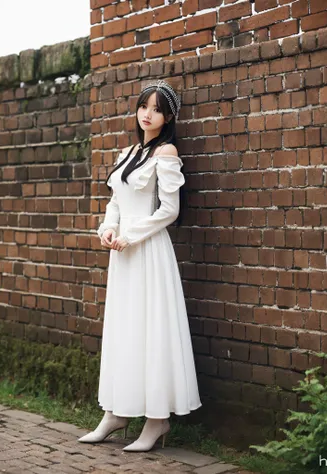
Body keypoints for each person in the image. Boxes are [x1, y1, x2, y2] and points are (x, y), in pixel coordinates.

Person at [78, 79, 202, 452]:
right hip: (123, 254)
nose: (148, 114)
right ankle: (116, 413)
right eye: (143, 107)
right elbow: (116, 201)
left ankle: (156, 421)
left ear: (168, 117)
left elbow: (169, 210)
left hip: (148, 252)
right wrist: (108, 228)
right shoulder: (128, 152)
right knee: (125, 331)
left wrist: (131, 235)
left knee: (150, 332)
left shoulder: (166, 153)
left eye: (157, 109)